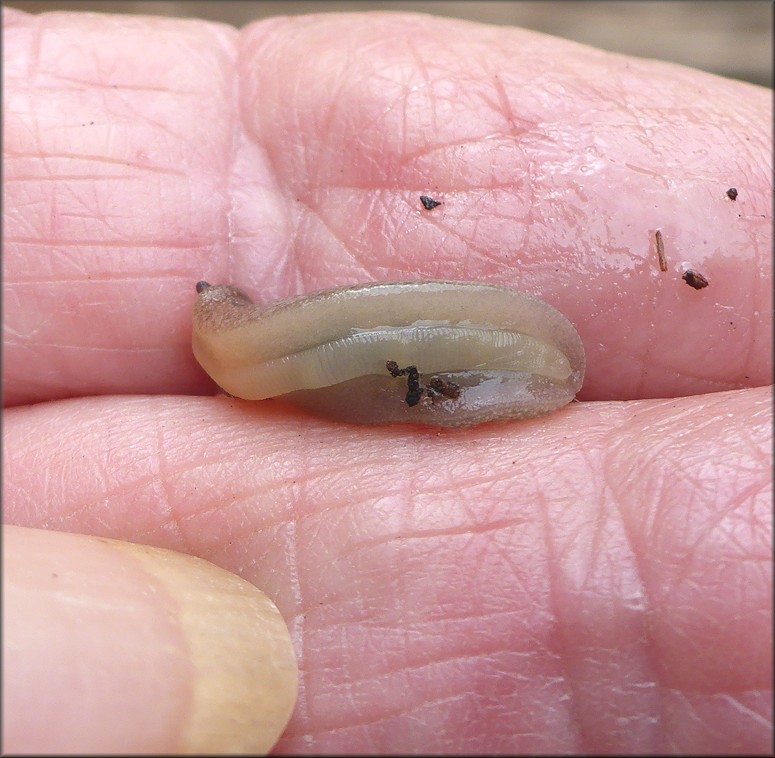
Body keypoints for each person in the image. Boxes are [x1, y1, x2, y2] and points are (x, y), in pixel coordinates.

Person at [3, 6, 772, 754]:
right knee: (280, 359)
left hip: (423, 368)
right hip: (341, 372)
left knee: (322, 356)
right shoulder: (252, 358)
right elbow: (251, 362)